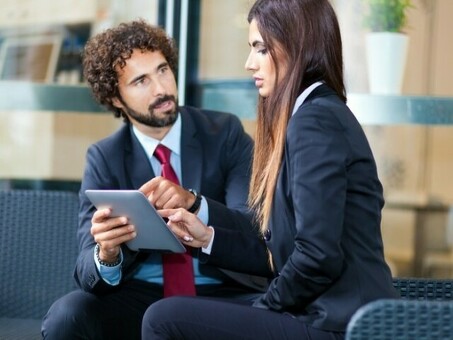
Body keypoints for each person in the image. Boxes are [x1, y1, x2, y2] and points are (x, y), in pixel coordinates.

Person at [141, 0, 400, 339]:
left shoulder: (314, 120)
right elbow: (288, 252)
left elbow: (318, 257)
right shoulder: (312, 115)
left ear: (297, 45)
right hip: (323, 314)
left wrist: (264, 307)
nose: (250, 64)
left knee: (164, 318)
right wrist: (208, 238)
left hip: (339, 324)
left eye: (260, 49)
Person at [41, 20, 268, 340]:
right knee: (68, 315)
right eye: (141, 81)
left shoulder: (225, 133)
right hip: (142, 296)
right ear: (116, 98)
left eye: (163, 70)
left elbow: (255, 229)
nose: (161, 88)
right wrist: (107, 254)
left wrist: (194, 203)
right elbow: (85, 270)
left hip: (223, 293)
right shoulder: (105, 156)